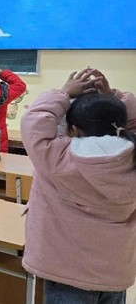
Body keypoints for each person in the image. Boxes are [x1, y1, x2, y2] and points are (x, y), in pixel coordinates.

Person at [21, 68, 136, 303]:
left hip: (65, 271)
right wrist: (114, 98)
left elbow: (33, 121)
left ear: (72, 129)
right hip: (115, 271)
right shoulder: (132, 158)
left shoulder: (57, 159)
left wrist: (63, 93)